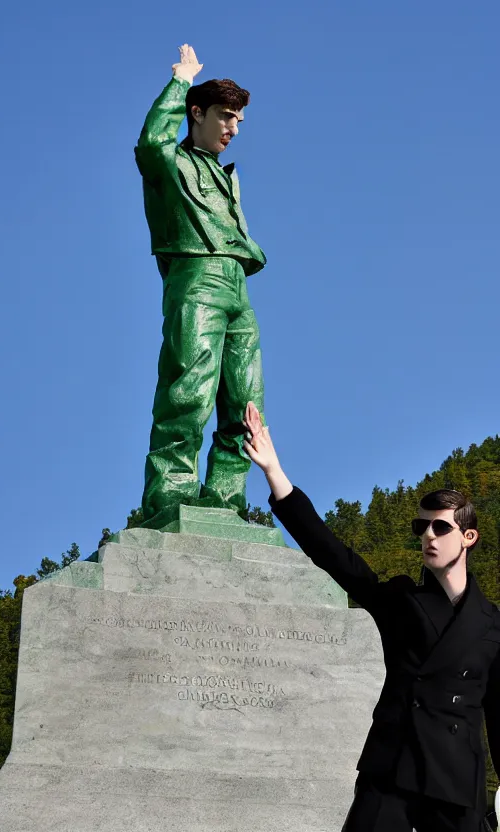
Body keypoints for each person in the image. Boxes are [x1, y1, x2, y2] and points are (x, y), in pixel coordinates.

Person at [243, 401, 500, 832]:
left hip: (457, 783)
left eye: (441, 527)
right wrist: (274, 472)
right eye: (422, 528)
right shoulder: (401, 600)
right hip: (391, 769)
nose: (429, 537)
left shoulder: (492, 625)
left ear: (468, 537)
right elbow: (335, 556)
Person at [134, 45, 267, 529]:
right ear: (197, 113)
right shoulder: (172, 164)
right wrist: (180, 81)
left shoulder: (228, 177)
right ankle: (170, 493)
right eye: (225, 117)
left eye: (239, 121)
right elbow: (151, 143)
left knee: (246, 403)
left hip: (237, 285)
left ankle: (227, 500)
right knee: (188, 389)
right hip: (196, 278)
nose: (233, 129)